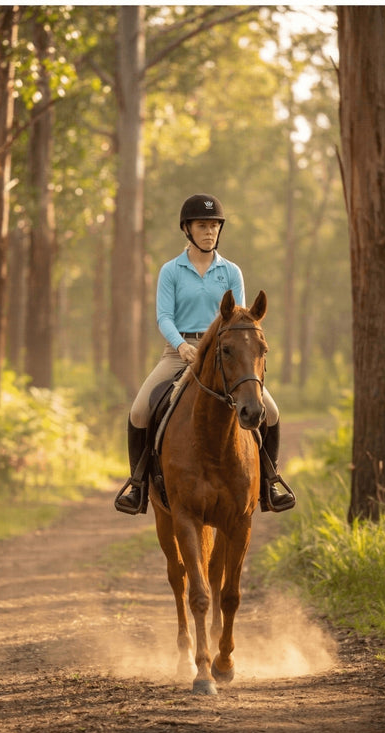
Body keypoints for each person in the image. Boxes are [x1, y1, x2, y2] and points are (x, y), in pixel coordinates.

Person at [115, 193, 295, 515]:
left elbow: (239, 316)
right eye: (202, 225)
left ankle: (269, 484)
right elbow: (164, 316)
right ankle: (138, 487)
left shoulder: (231, 271)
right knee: (140, 411)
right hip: (177, 352)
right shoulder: (171, 271)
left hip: (224, 355)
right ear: (187, 229)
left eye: (214, 225)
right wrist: (182, 346)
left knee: (272, 411)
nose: (209, 231)